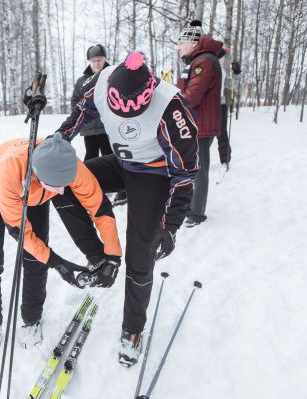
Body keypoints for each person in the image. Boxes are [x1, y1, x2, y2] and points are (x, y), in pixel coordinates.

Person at [46, 51, 199, 367]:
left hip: (154, 176)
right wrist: (59, 139)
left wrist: (170, 227)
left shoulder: (171, 107)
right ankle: (99, 256)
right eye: (121, 112)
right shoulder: (101, 80)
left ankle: (132, 330)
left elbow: (185, 176)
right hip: (122, 163)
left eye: (134, 113)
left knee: (140, 255)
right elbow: (82, 111)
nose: (127, 118)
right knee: (69, 182)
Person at [0, 133, 122, 363]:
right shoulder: (10, 170)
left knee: (35, 262)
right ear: (38, 175)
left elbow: (99, 207)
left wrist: (112, 256)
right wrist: (60, 265)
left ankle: (31, 319)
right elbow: (21, 233)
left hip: (34, 196)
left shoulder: (71, 166)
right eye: (56, 187)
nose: (61, 192)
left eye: (64, 185)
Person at [176, 20, 223, 227]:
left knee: (199, 170)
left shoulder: (203, 62)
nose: (178, 47)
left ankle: (196, 213)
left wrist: (171, 101)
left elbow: (192, 96)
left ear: (193, 43)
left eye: (181, 43)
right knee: (193, 168)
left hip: (201, 126)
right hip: (196, 124)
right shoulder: (196, 61)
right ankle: (191, 206)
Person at [71, 44, 112, 160]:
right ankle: (89, 178)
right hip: (88, 125)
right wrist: (79, 116)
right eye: (93, 60)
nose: (97, 63)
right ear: (89, 61)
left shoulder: (112, 76)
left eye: (99, 59)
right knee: (91, 154)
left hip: (107, 126)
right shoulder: (82, 81)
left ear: (104, 60)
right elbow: (75, 100)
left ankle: (112, 178)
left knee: (108, 154)